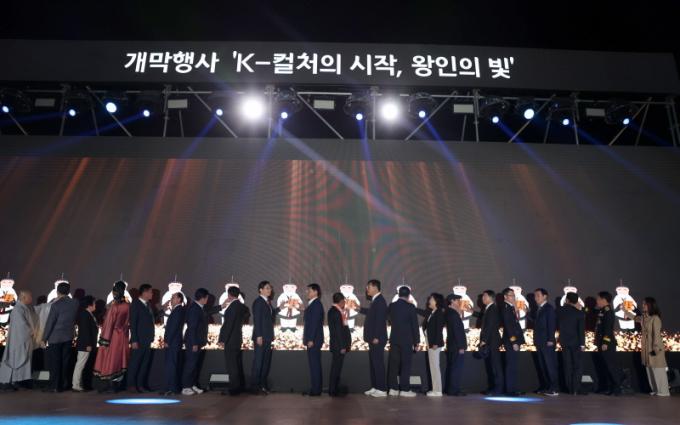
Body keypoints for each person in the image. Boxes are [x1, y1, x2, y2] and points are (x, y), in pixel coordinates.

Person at [627, 297, 670, 396]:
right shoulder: (644, 317)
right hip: (646, 348)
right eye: (643, 304)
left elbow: (657, 335)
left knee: (658, 370)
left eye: (645, 304)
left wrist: (656, 348)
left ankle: (663, 391)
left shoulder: (655, 318)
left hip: (654, 348)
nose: (643, 306)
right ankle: (655, 389)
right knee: (650, 370)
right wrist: (625, 311)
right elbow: (634, 318)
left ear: (650, 305)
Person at [94, 280, 130, 393]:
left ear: (115, 292)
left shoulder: (114, 307)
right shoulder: (127, 305)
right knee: (120, 359)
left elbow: (109, 324)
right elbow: (127, 322)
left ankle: (109, 386)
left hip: (113, 336)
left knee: (110, 360)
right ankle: (117, 385)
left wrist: (104, 339)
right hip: (123, 336)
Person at [42, 281, 79, 392]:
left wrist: (44, 338)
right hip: (68, 336)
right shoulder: (75, 303)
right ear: (68, 292)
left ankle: (54, 386)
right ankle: (63, 385)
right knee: (65, 362)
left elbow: (50, 322)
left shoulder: (55, 305)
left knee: (55, 363)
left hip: (55, 337)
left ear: (57, 292)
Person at [0, 290, 38, 390]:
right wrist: (31, 331)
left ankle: (19, 381)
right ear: (24, 297)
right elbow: (21, 325)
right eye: (30, 297)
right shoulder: (18, 309)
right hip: (18, 341)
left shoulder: (24, 308)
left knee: (21, 360)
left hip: (23, 339)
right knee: (15, 359)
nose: (31, 299)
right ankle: (11, 381)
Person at [386, 285, 420, 397]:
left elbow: (389, 319)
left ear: (398, 294)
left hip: (394, 338)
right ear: (409, 295)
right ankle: (405, 390)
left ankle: (393, 389)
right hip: (407, 340)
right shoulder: (411, 307)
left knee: (393, 365)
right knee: (406, 364)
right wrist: (416, 342)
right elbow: (415, 325)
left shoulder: (392, 306)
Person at [359, 279, 388, 397]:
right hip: (373, 338)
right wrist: (359, 309)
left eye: (368, 287)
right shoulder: (375, 300)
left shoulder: (380, 300)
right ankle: (375, 387)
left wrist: (376, 336)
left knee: (378, 363)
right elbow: (371, 313)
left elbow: (380, 320)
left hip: (377, 338)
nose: (367, 289)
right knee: (373, 364)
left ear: (375, 287)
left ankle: (382, 389)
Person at [218, 286, 250, 396]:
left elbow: (228, 325)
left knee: (231, 365)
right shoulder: (242, 306)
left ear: (229, 295)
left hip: (230, 340)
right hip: (237, 338)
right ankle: (238, 387)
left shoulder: (232, 307)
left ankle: (234, 388)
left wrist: (222, 339)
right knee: (236, 364)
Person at [250, 280, 278, 395]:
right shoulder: (258, 302)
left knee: (265, 363)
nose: (269, 290)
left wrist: (279, 308)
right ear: (260, 290)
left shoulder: (267, 302)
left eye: (270, 288)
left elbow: (269, 316)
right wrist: (259, 336)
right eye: (267, 288)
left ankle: (262, 386)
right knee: (258, 363)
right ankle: (255, 388)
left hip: (267, 337)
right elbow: (257, 320)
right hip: (261, 337)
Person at [181, 288, 211, 396]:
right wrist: (194, 343)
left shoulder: (199, 308)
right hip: (193, 342)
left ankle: (192, 385)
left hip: (197, 341)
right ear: (202, 298)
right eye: (207, 298)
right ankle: (185, 387)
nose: (207, 300)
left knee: (194, 365)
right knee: (190, 365)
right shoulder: (194, 309)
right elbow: (192, 327)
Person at [128, 283, 156, 392]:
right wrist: (134, 340)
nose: (152, 294)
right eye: (150, 292)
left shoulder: (148, 305)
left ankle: (140, 385)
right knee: (135, 363)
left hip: (147, 340)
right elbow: (133, 323)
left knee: (144, 364)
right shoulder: (136, 304)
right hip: (138, 340)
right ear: (144, 292)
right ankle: (131, 385)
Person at [595, 291, 623, 395]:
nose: (597, 301)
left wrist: (605, 342)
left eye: (598, 299)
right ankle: (610, 387)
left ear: (603, 300)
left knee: (611, 366)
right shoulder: (602, 311)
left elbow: (608, 329)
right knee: (606, 366)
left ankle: (617, 388)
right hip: (601, 343)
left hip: (607, 344)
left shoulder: (608, 312)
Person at [558, 292, 585, 395]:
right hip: (576, 342)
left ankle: (569, 388)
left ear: (567, 300)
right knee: (577, 366)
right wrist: (582, 344)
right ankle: (575, 388)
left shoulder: (560, 311)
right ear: (577, 301)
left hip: (564, 341)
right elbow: (581, 330)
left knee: (567, 365)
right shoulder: (579, 313)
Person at [418, 293, 445, 397]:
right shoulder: (432, 312)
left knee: (435, 367)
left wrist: (436, 343)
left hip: (434, 343)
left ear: (436, 301)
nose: (429, 301)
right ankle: (435, 389)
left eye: (431, 299)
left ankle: (437, 390)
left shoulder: (439, 313)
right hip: (431, 342)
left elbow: (439, 329)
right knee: (433, 366)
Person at [533, 288, 558, 396]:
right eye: (535, 296)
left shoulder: (549, 308)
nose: (536, 298)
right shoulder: (539, 309)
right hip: (540, 341)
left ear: (545, 296)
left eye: (538, 295)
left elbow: (551, 325)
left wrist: (551, 339)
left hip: (547, 342)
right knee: (543, 366)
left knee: (549, 365)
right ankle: (546, 386)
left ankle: (554, 388)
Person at [500, 287, 525, 396]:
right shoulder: (506, 308)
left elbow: (516, 320)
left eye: (514, 295)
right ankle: (510, 390)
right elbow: (509, 326)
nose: (513, 297)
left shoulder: (510, 307)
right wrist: (514, 342)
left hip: (514, 340)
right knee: (511, 365)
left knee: (514, 365)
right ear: (505, 296)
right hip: (511, 341)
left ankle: (513, 388)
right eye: (511, 295)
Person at [71, 295, 98, 392]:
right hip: (85, 344)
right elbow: (85, 331)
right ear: (89, 305)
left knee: (82, 364)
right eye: (94, 303)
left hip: (86, 344)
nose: (95, 305)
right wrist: (88, 344)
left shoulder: (88, 314)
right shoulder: (85, 314)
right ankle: (75, 385)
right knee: (80, 365)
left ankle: (78, 384)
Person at [479, 289, 503, 395]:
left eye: (485, 296)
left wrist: (484, 340)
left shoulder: (492, 309)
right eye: (482, 296)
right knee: (492, 365)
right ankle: (494, 388)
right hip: (491, 341)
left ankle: (498, 389)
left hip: (492, 341)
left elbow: (490, 326)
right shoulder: (489, 308)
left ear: (491, 297)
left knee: (495, 366)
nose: (483, 298)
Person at [328, 292, 351, 397]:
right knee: (336, 368)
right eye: (344, 301)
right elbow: (338, 331)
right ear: (341, 301)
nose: (345, 303)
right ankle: (333, 390)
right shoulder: (337, 312)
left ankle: (334, 389)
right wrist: (342, 346)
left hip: (336, 345)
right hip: (338, 346)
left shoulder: (333, 311)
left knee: (336, 368)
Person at [162, 292, 185, 396]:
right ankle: (171, 387)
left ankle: (171, 388)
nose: (171, 299)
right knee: (172, 365)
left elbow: (173, 327)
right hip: (174, 342)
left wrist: (167, 340)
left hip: (173, 343)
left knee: (171, 365)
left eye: (173, 297)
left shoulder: (178, 310)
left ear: (179, 299)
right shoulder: (177, 310)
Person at [303, 283, 324, 396]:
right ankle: (315, 388)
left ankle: (316, 390)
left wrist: (311, 339)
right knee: (314, 365)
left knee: (314, 365)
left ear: (316, 292)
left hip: (314, 340)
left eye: (309, 290)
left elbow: (314, 323)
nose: (307, 292)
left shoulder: (316, 304)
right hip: (314, 340)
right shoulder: (313, 304)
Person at [444, 294, 467, 396]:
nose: (459, 302)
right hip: (456, 346)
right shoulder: (453, 314)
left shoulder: (451, 312)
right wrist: (461, 346)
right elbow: (457, 331)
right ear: (452, 301)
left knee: (453, 367)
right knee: (456, 368)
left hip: (453, 345)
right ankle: (454, 390)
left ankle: (451, 389)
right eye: (457, 300)